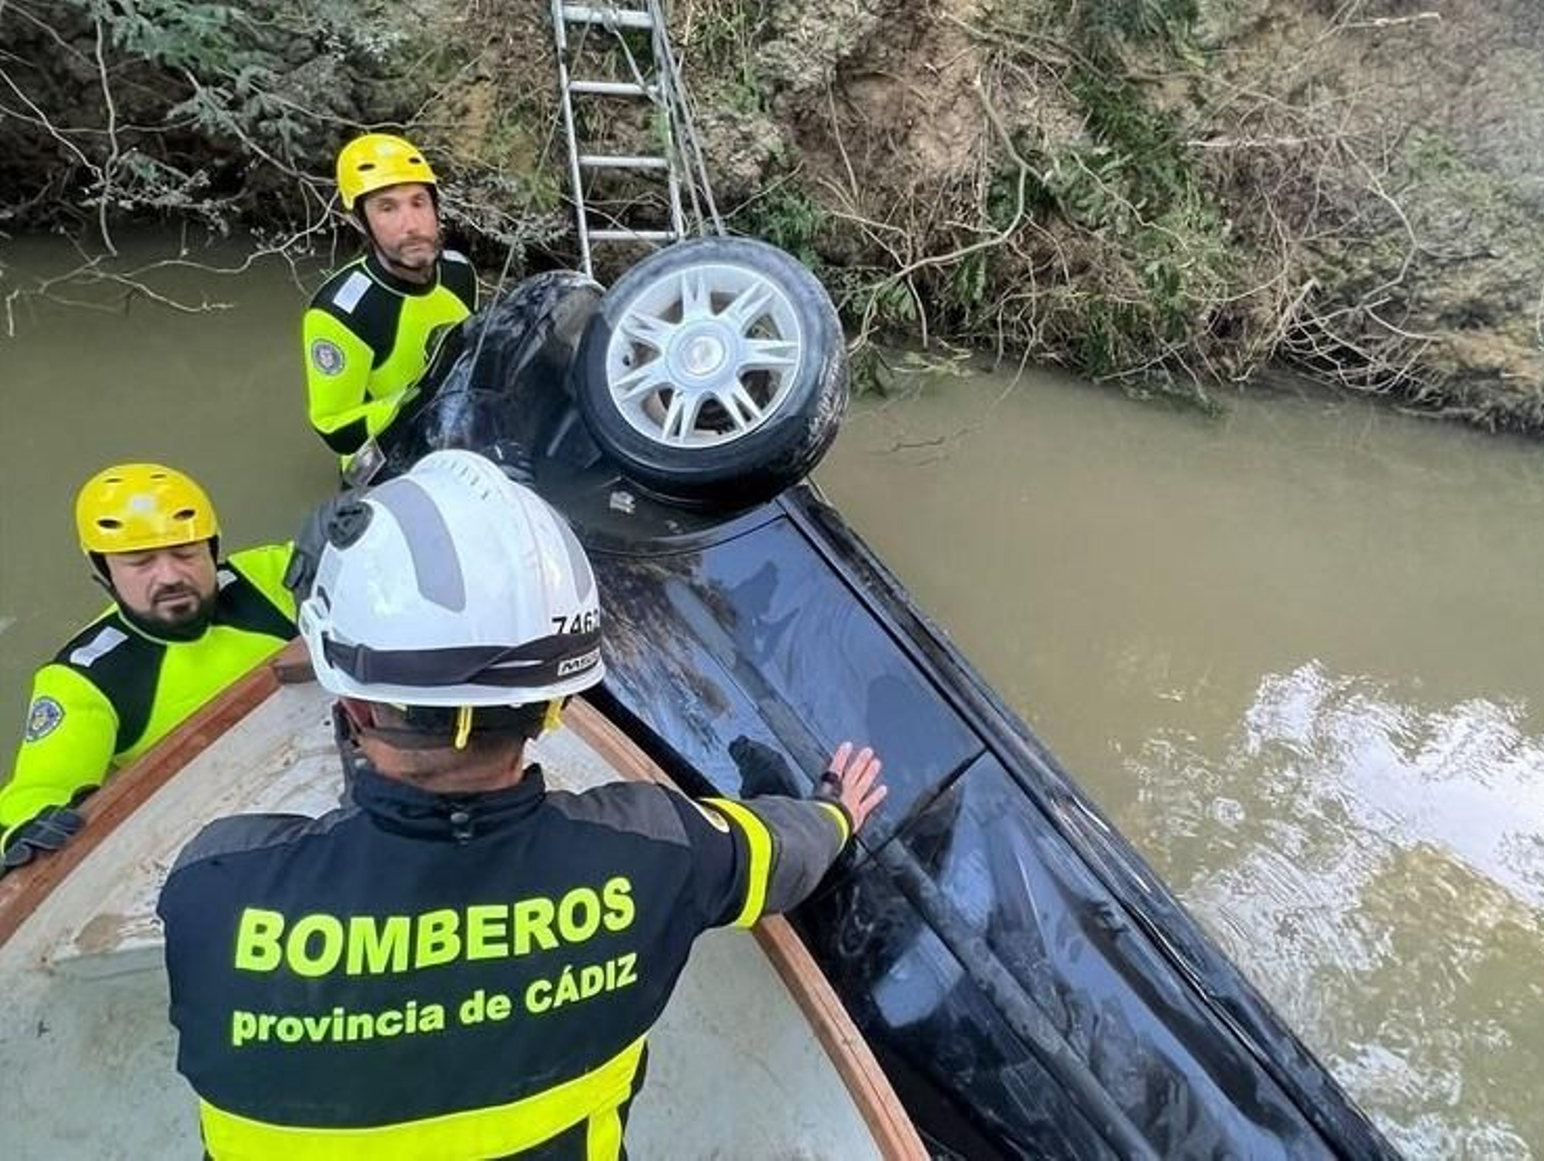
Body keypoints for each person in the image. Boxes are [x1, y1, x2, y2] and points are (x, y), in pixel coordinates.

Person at [157, 450, 887, 1159]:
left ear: (351, 702)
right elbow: (783, 855)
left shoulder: (215, 889)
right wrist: (837, 812)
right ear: (556, 703)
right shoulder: (658, 853)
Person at [0, 464, 296, 873]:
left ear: (213, 551)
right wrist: (20, 831)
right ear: (104, 576)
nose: (171, 575)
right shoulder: (85, 678)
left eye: (186, 553)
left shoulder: (267, 578)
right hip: (211, 844)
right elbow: (37, 791)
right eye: (140, 562)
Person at [303, 132, 478, 458]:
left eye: (418, 202)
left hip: (459, 431)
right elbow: (333, 428)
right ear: (359, 221)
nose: (411, 224)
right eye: (387, 208)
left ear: (436, 207)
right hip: (388, 457)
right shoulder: (341, 311)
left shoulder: (459, 271)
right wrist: (422, 403)